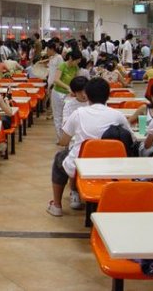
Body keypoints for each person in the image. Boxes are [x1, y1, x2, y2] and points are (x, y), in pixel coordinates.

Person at [47, 77, 133, 217]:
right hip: (111, 165)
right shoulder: (117, 115)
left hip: (81, 165)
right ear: (108, 95)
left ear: (87, 94)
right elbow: (131, 138)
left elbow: (63, 141)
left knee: (59, 158)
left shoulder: (79, 113)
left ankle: (56, 205)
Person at [51, 50, 82, 140]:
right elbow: (56, 80)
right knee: (58, 116)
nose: (77, 63)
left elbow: (76, 80)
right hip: (58, 93)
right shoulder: (62, 66)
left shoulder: (75, 68)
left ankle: (67, 137)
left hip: (69, 95)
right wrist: (67, 87)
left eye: (78, 62)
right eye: (76, 61)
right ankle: (60, 138)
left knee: (68, 115)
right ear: (71, 58)